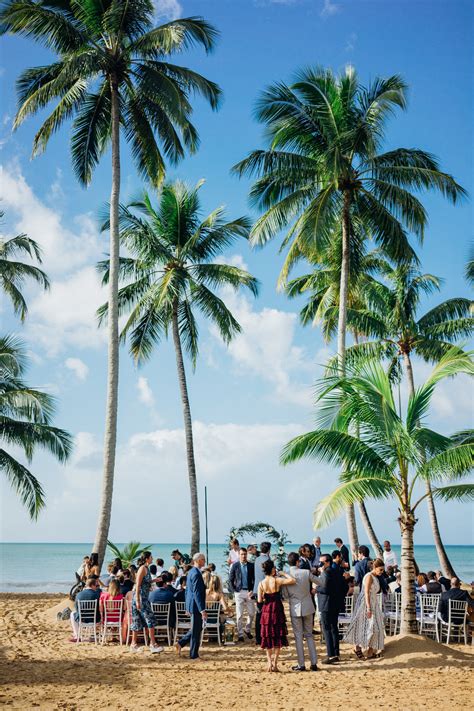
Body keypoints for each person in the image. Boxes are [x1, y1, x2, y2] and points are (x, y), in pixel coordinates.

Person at [257, 559, 295, 672]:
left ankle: (269, 663)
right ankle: (275, 664)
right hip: (277, 609)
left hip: (267, 610)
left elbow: (259, 600)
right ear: (272, 569)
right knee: (278, 636)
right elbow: (292, 580)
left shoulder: (261, 583)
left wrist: (265, 597)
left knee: (268, 636)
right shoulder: (277, 580)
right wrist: (283, 573)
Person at [344, 558, 385, 660]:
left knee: (377, 629)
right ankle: (357, 648)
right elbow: (366, 592)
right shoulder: (369, 576)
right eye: (380, 570)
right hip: (366, 604)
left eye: (382, 570)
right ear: (374, 568)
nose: (382, 572)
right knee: (362, 626)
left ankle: (370, 652)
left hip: (374, 604)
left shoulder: (376, 577)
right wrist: (368, 608)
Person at [285, 552, 319, 672]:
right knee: (309, 635)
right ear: (298, 562)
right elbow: (320, 582)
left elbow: (284, 595)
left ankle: (301, 664)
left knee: (298, 637)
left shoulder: (287, 575)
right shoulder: (306, 572)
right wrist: (314, 589)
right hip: (308, 606)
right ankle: (314, 663)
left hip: (295, 608)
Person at [176, 552, 208, 660]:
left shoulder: (191, 572)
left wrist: (187, 607)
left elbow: (187, 592)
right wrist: (202, 610)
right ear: (198, 560)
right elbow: (197, 593)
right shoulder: (196, 574)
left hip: (192, 605)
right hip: (195, 606)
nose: (204, 561)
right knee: (196, 631)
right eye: (203, 559)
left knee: (197, 629)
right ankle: (193, 654)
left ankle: (181, 643)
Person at [317, 554, 348, 664]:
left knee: (327, 629)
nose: (320, 564)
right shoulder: (337, 571)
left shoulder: (326, 572)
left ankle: (331, 655)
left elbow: (324, 587)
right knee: (334, 628)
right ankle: (336, 654)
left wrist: (317, 589)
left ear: (328, 562)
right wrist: (339, 597)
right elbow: (345, 587)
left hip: (326, 604)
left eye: (322, 562)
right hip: (335, 604)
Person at [130, 551, 163, 654]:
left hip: (143, 598)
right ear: (147, 558)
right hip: (140, 598)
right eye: (151, 557)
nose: (152, 558)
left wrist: (154, 580)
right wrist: (138, 600)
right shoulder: (142, 569)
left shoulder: (146, 569)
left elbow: (145, 582)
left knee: (138, 621)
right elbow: (138, 584)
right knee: (150, 620)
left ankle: (133, 644)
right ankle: (153, 644)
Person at [229, 547, 255, 641]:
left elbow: (254, 579)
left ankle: (247, 630)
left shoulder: (251, 565)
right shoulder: (235, 565)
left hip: (249, 592)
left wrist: (253, 590)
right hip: (239, 592)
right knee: (239, 615)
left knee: (252, 613)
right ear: (239, 555)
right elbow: (230, 579)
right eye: (242, 554)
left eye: (245, 554)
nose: (243, 556)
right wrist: (234, 591)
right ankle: (240, 634)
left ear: (247, 555)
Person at [69, 576, 101, 642]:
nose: (97, 587)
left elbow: (77, 608)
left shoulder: (79, 594)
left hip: (82, 619)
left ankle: (77, 635)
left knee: (72, 614)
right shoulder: (98, 594)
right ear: (92, 585)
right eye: (96, 585)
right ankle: (96, 635)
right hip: (95, 619)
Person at [253, 542, 272, 645]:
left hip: (257, 589)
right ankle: (265, 635)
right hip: (266, 590)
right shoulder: (268, 561)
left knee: (259, 614)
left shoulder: (257, 559)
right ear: (269, 550)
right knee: (267, 614)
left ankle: (258, 638)